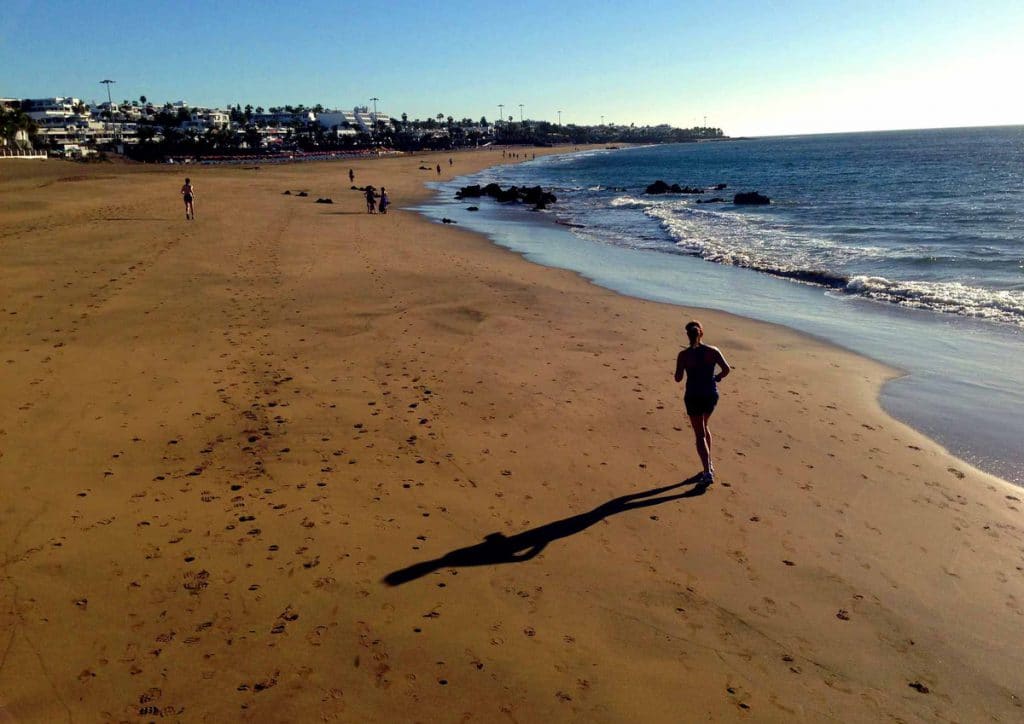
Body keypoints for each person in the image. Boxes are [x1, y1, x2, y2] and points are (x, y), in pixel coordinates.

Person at [674, 320, 730, 483]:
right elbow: (726, 369)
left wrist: (683, 369)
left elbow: (678, 378)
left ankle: (707, 472)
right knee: (704, 426)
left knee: (699, 434)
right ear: (701, 333)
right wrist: (717, 377)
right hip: (710, 394)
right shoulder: (713, 351)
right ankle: (709, 463)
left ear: (688, 335)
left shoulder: (683, 355)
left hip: (693, 395)